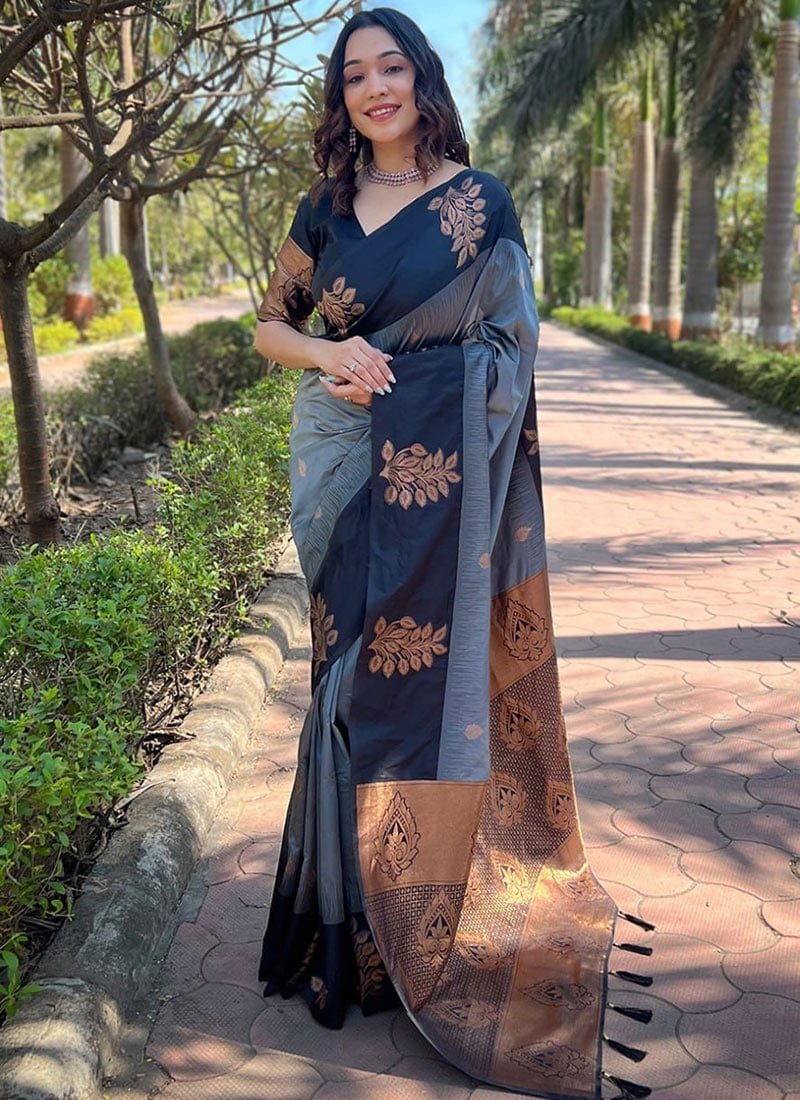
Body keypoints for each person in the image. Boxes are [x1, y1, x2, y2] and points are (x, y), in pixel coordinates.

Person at [254, 9, 653, 1099]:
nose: (375, 88)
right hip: (339, 462)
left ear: (422, 79)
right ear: (340, 100)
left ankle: (416, 915)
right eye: (354, 76)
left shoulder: (479, 203)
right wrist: (332, 352)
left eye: (392, 67)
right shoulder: (325, 207)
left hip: (434, 472)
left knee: (410, 685)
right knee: (342, 682)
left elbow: (509, 348)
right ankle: (343, 918)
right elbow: (269, 326)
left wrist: (410, 387)